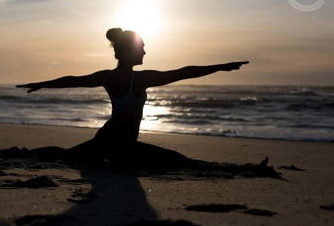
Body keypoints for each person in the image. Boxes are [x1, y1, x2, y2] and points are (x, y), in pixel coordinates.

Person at [16, 28, 249, 167]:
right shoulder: (141, 79)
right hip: (117, 144)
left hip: (110, 141)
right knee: (176, 161)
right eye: (142, 47)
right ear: (130, 51)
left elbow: (72, 79)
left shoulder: (109, 77)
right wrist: (220, 67)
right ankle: (20, 155)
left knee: (68, 156)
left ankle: (20, 154)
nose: (145, 51)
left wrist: (43, 84)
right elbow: (183, 72)